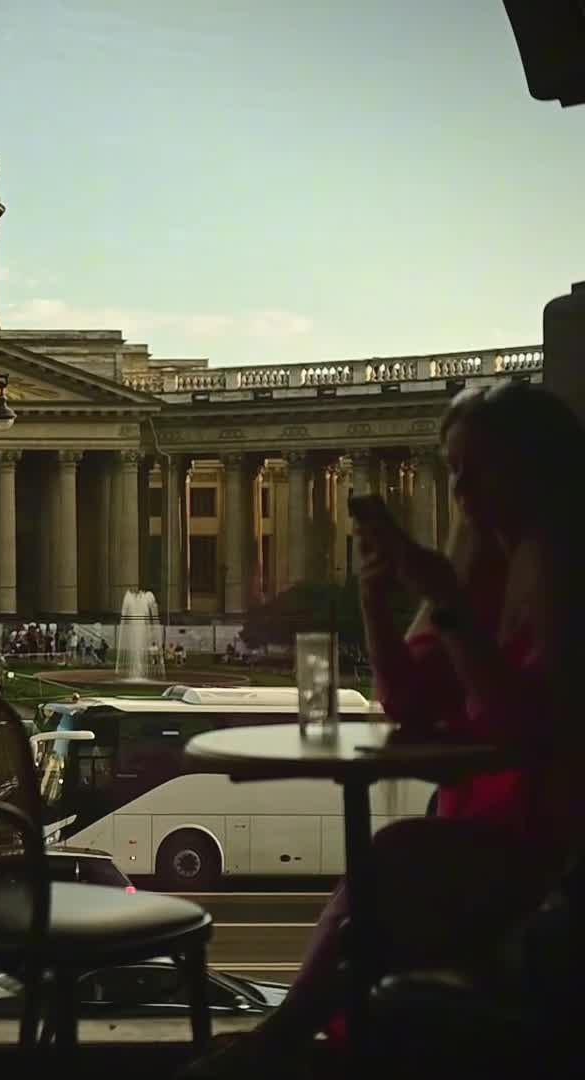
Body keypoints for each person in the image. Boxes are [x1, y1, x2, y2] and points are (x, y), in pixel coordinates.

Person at [182, 381, 585, 1078]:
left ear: (534, 464)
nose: (459, 489)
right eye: (451, 467)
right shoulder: (482, 559)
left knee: (391, 867)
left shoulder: (564, 563)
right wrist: (375, 591)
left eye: (477, 468)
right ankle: (278, 1044)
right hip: (491, 811)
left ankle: (275, 1045)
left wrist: (447, 600)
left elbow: (522, 723)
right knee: (379, 874)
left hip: (550, 831)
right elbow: (406, 697)